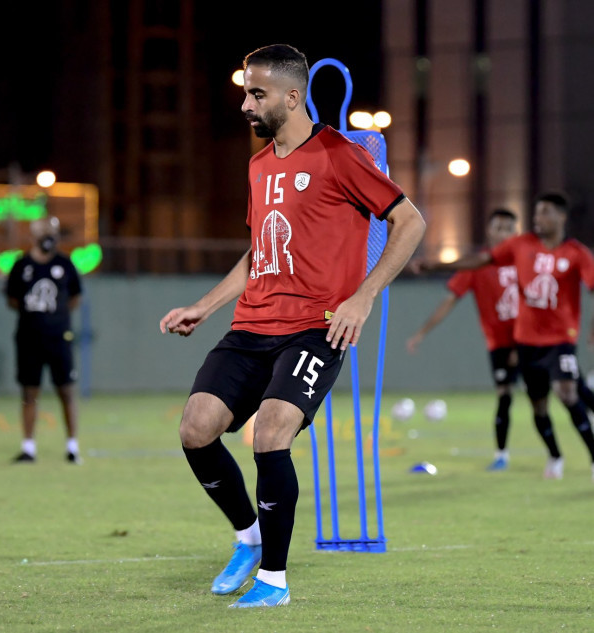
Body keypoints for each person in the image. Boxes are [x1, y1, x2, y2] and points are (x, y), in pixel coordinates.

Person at [159, 44, 426, 608]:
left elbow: (409, 221)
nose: (246, 106)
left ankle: (274, 582)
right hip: (252, 325)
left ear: (292, 96)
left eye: (256, 94)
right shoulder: (258, 165)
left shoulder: (338, 154)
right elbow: (259, 251)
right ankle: (248, 539)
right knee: (196, 429)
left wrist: (363, 297)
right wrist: (204, 306)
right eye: (245, 94)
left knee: (274, 432)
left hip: (316, 329)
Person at [420, 192, 594, 481]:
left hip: (562, 339)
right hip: (526, 341)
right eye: (537, 212)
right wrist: (438, 265)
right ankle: (554, 455)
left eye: (546, 212)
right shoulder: (520, 245)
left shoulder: (576, 252)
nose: (539, 218)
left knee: (568, 393)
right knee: (538, 404)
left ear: (561, 217)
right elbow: (481, 261)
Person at [407, 210, 520, 470]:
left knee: (563, 388)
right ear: (489, 231)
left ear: (515, 233)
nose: (502, 233)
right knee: (505, 395)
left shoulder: (523, 258)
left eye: (508, 228)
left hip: (531, 338)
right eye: (498, 227)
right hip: (500, 344)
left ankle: (557, 457)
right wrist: (421, 333)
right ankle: (502, 455)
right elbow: (449, 301)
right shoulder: (477, 265)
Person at [5, 216, 83, 464]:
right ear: (32, 236)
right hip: (29, 339)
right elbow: (13, 299)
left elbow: (74, 297)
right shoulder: (21, 265)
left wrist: (56, 319)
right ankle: (28, 447)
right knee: (29, 391)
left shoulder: (65, 264)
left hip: (59, 338)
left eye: (52, 232)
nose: (48, 237)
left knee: (66, 391)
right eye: (43, 233)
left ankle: (72, 447)